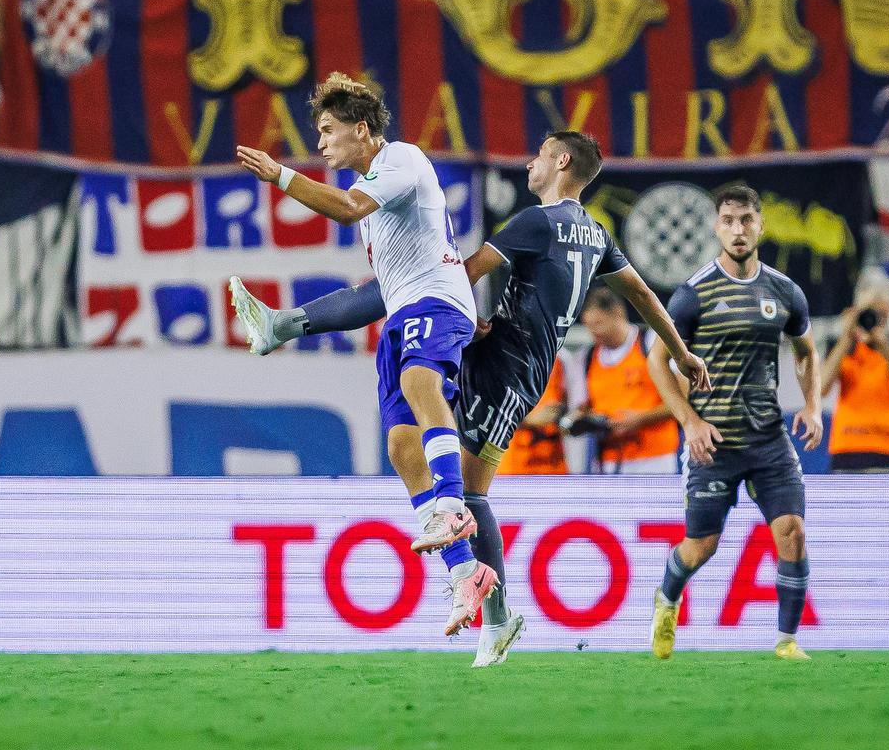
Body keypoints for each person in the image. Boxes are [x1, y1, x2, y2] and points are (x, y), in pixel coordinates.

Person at [232, 129, 709, 666]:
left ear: (561, 161)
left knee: (469, 486)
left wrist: (454, 306)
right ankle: (484, 599)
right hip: (507, 355)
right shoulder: (595, 234)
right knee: (413, 437)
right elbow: (643, 294)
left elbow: (469, 267)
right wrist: (682, 352)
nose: (530, 162)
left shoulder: (537, 221)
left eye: (538, 153)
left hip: (512, 364)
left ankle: (492, 608)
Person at [234, 73, 497, 642]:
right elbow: (372, 294)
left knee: (421, 383)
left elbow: (348, 208)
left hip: (435, 304)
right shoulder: (379, 205)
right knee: (403, 449)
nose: (321, 143)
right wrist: (291, 323)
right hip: (406, 313)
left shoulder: (399, 161)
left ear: (362, 130)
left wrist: (280, 175)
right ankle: (466, 570)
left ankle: (453, 506)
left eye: (329, 131)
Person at [646, 184, 823, 662]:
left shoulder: (785, 291)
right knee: (701, 545)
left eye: (746, 220)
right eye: (728, 220)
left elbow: (807, 354)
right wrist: (689, 422)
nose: (738, 230)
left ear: (761, 225)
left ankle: (787, 641)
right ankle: (666, 598)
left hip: (768, 440)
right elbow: (656, 359)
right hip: (714, 442)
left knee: (793, 531)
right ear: (715, 227)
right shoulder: (693, 293)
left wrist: (812, 405)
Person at [572, 286, 679, 474]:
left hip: (656, 459)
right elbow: (585, 406)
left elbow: (683, 398)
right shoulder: (588, 357)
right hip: (609, 461)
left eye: (598, 324)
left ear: (618, 314)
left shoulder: (650, 344)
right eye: (588, 326)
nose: (593, 332)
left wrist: (640, 419)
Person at [821, 281, 889, 473]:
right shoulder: (843, 348)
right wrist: (847, 336)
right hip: (849, 452)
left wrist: (881, 342)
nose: (872, 319)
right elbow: (820, 388)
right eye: (868, 312)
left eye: (879, 313)